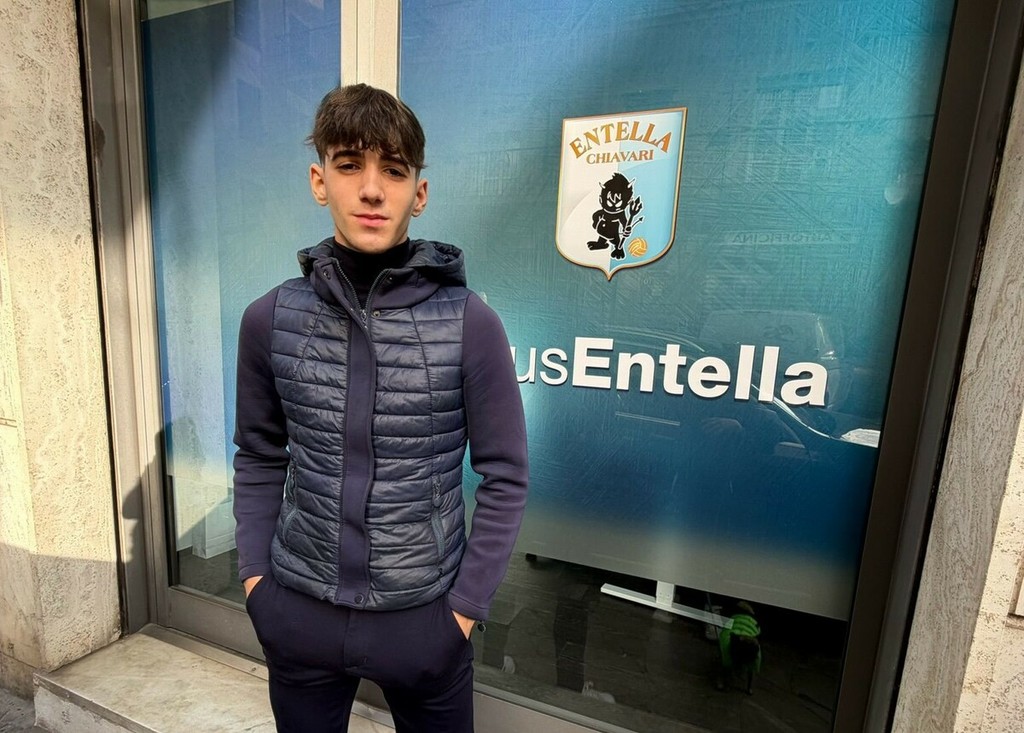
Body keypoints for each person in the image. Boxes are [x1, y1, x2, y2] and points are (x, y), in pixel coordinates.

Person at [232, 84, 529, 733]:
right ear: (320, 181)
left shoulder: (470, 324)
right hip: (298, 614)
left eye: (393, 170)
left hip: (424, 624)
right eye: (349, 164)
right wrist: (256, 582)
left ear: (419, 193)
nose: (371, 189)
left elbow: (506, 476)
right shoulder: (268, 319)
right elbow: (258, 455)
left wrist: (462, 611)